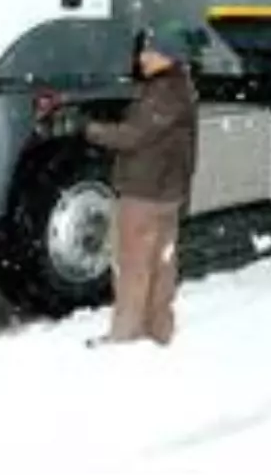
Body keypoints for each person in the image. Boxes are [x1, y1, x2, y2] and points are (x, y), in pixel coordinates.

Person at [82, 22, 199, 346]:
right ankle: (159, 330)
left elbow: (133, 136)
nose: (143, 57)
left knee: (133, 265)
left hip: (144, 192)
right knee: (161, 265)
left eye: (151, 51)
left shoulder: (164, 91)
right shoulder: (181, 86)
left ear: (168, 56)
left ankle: (125, 334)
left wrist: (88, 129)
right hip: (167, 192)